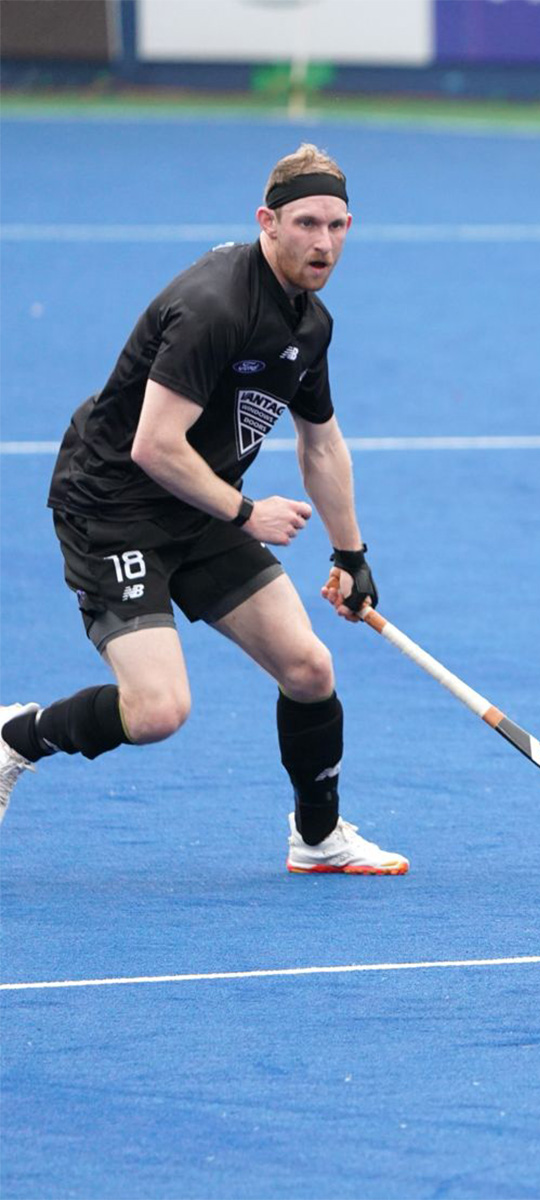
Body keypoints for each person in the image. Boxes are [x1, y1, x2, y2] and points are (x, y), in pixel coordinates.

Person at [0, 144, 408, 875]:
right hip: (114, 507)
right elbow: (154, 446)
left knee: (309, 668)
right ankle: (16, 737)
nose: (324, 243)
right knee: (156, 711)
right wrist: (247, 513)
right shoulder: (216, 305)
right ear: (268, 222)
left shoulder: (311, 324)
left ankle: (318, 840)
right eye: (307, 223)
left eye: (338, 225)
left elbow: (322, 446)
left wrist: (351, 555)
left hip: (197, 506)